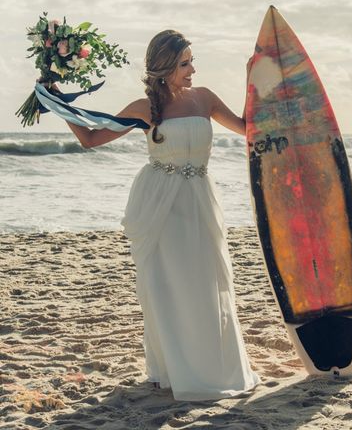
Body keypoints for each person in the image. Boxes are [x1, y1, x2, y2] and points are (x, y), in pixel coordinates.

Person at [65, 30, 260, 401]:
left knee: (206, 281)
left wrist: (253, 77)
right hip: (159, 204)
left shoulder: (205, 99)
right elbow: (90, 139)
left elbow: (248, 127)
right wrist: (55, 103)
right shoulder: (144, 108)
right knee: (166, 286)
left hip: (200, 201)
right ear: (166, 66)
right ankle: (170, 370)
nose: (192, 70)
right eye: (185, 63)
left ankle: (212, 366)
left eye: (191, 61)